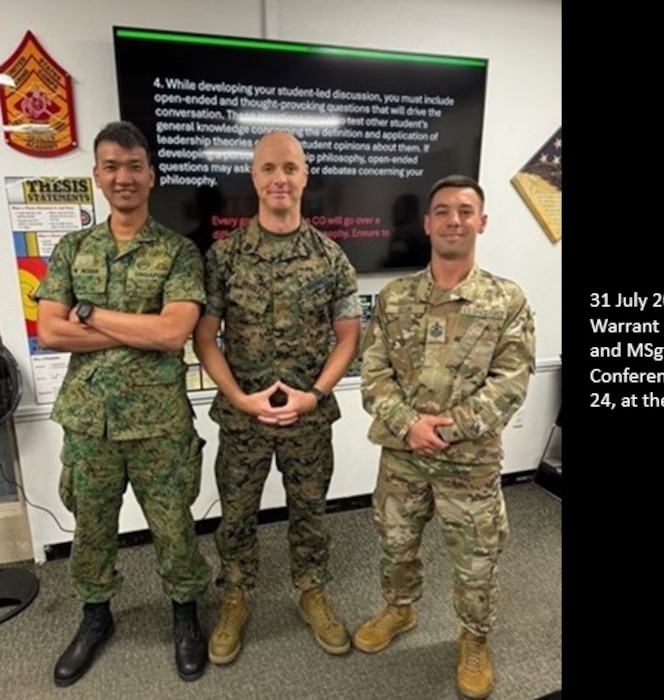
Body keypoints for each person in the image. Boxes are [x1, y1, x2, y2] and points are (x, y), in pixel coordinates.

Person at [33, 120, 211, 686]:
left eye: (134, 165)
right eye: (112, 166)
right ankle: (94, 617)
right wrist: (139, 327)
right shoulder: (71, 248)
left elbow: (172, 334)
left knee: (174, 527)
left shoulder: (180, 253)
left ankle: (186, 614)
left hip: (159, 424)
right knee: (91, 529)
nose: (124, 176)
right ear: (97, 176)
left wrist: (88, 313)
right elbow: (50, 332)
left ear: (151, 175)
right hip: (89, 423)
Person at [355, 174, 535, 699]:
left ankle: (475, 638)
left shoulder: (507, 301)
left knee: (476, 559)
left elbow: (511, 383)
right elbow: (374, 374)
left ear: (481, 221)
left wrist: (447, 429)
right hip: (403, 456)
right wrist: (409, 424)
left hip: (470, 461)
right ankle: (400, 609)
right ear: (426, 223)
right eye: (443, 211)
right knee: (395, 543)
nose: (453, 220)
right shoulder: (394, 299)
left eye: (464, 210)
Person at [192, 131, 361, 665]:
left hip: (308, 419)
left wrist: (315, 395)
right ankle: (235, 595)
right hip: (243, 420)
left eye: (290, 167)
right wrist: (241, 399)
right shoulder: (224, 257)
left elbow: (350, 336)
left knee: (310, 509)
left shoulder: (331, 258)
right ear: (254, 177)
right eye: (268, 168)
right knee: (237, 513)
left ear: (306, 175)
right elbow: (204, 337)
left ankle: (312, 591)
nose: (280, 178)